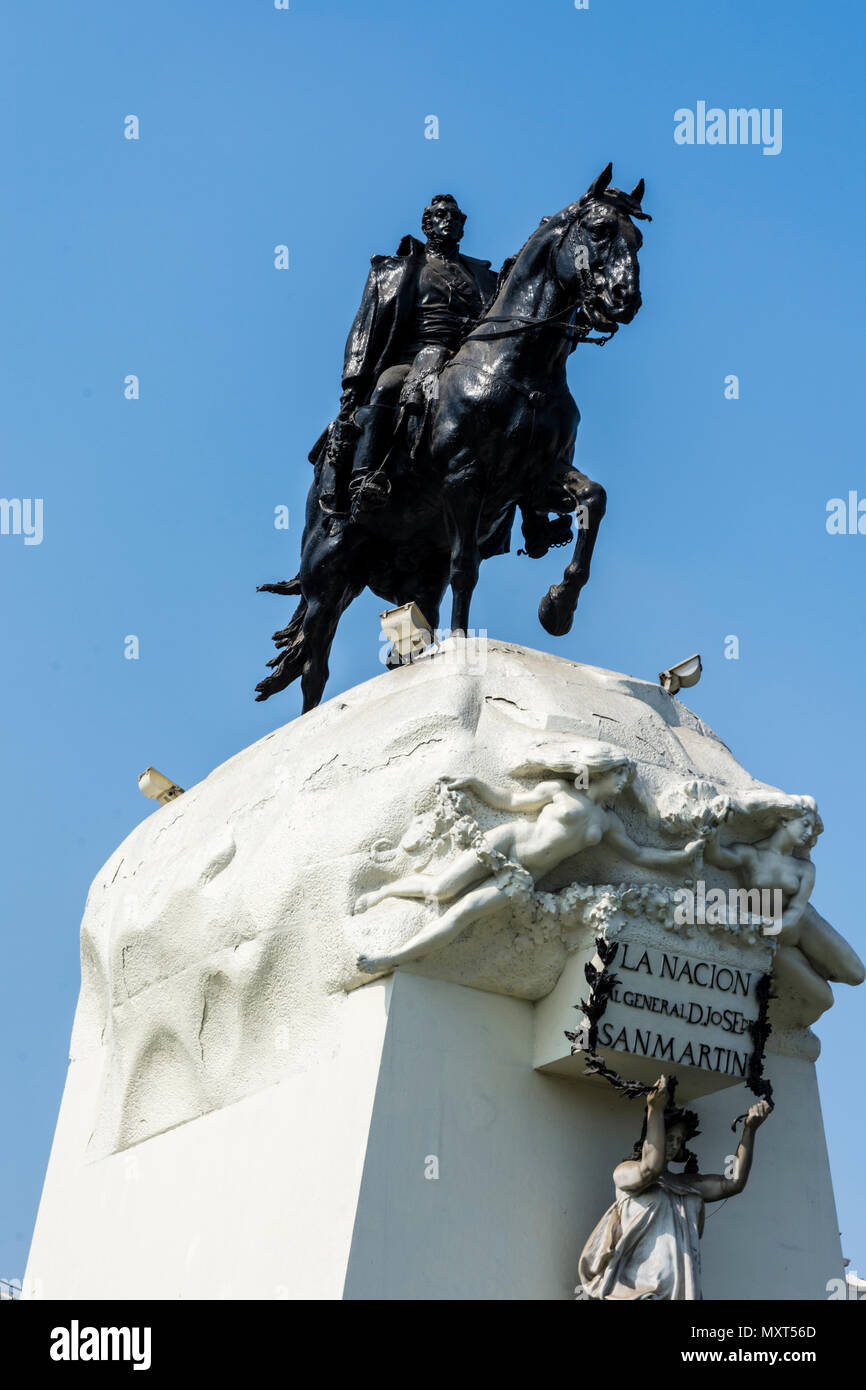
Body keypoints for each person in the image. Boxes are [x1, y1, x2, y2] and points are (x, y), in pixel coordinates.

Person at [355, 741, 705, 974]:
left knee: (464, 913)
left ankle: (393, 958)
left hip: (524, 875)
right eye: (619, 776)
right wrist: (476, 783)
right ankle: (382, 893)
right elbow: (510, 802)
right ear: (601, 770)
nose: (621, 786)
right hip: (508, 841)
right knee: (442, 888)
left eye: (625, 781)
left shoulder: (608, 822)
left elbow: (640, 853)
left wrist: (681, 856)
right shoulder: (559, 791)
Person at [316, 194, 498, 518]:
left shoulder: (484, 277)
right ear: (427, 223)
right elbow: (365, 328)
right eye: (441, 215)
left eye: (456, 218)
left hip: (467, 359)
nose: (450, 222)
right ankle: (365, 477)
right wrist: (351, 388)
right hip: (413, 356)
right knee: (387, 385)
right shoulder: (397, 270)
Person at [578, 1075, 771, 1300]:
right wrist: (654, 1110)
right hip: (638, 1292)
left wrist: (749, 1131)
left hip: (682, 1292)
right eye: (669, 1137)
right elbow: (650, 1168)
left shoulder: (686, 1185)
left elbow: (733, 1182)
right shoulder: (626, 1173)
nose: (674, 1144)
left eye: (679, 1140)